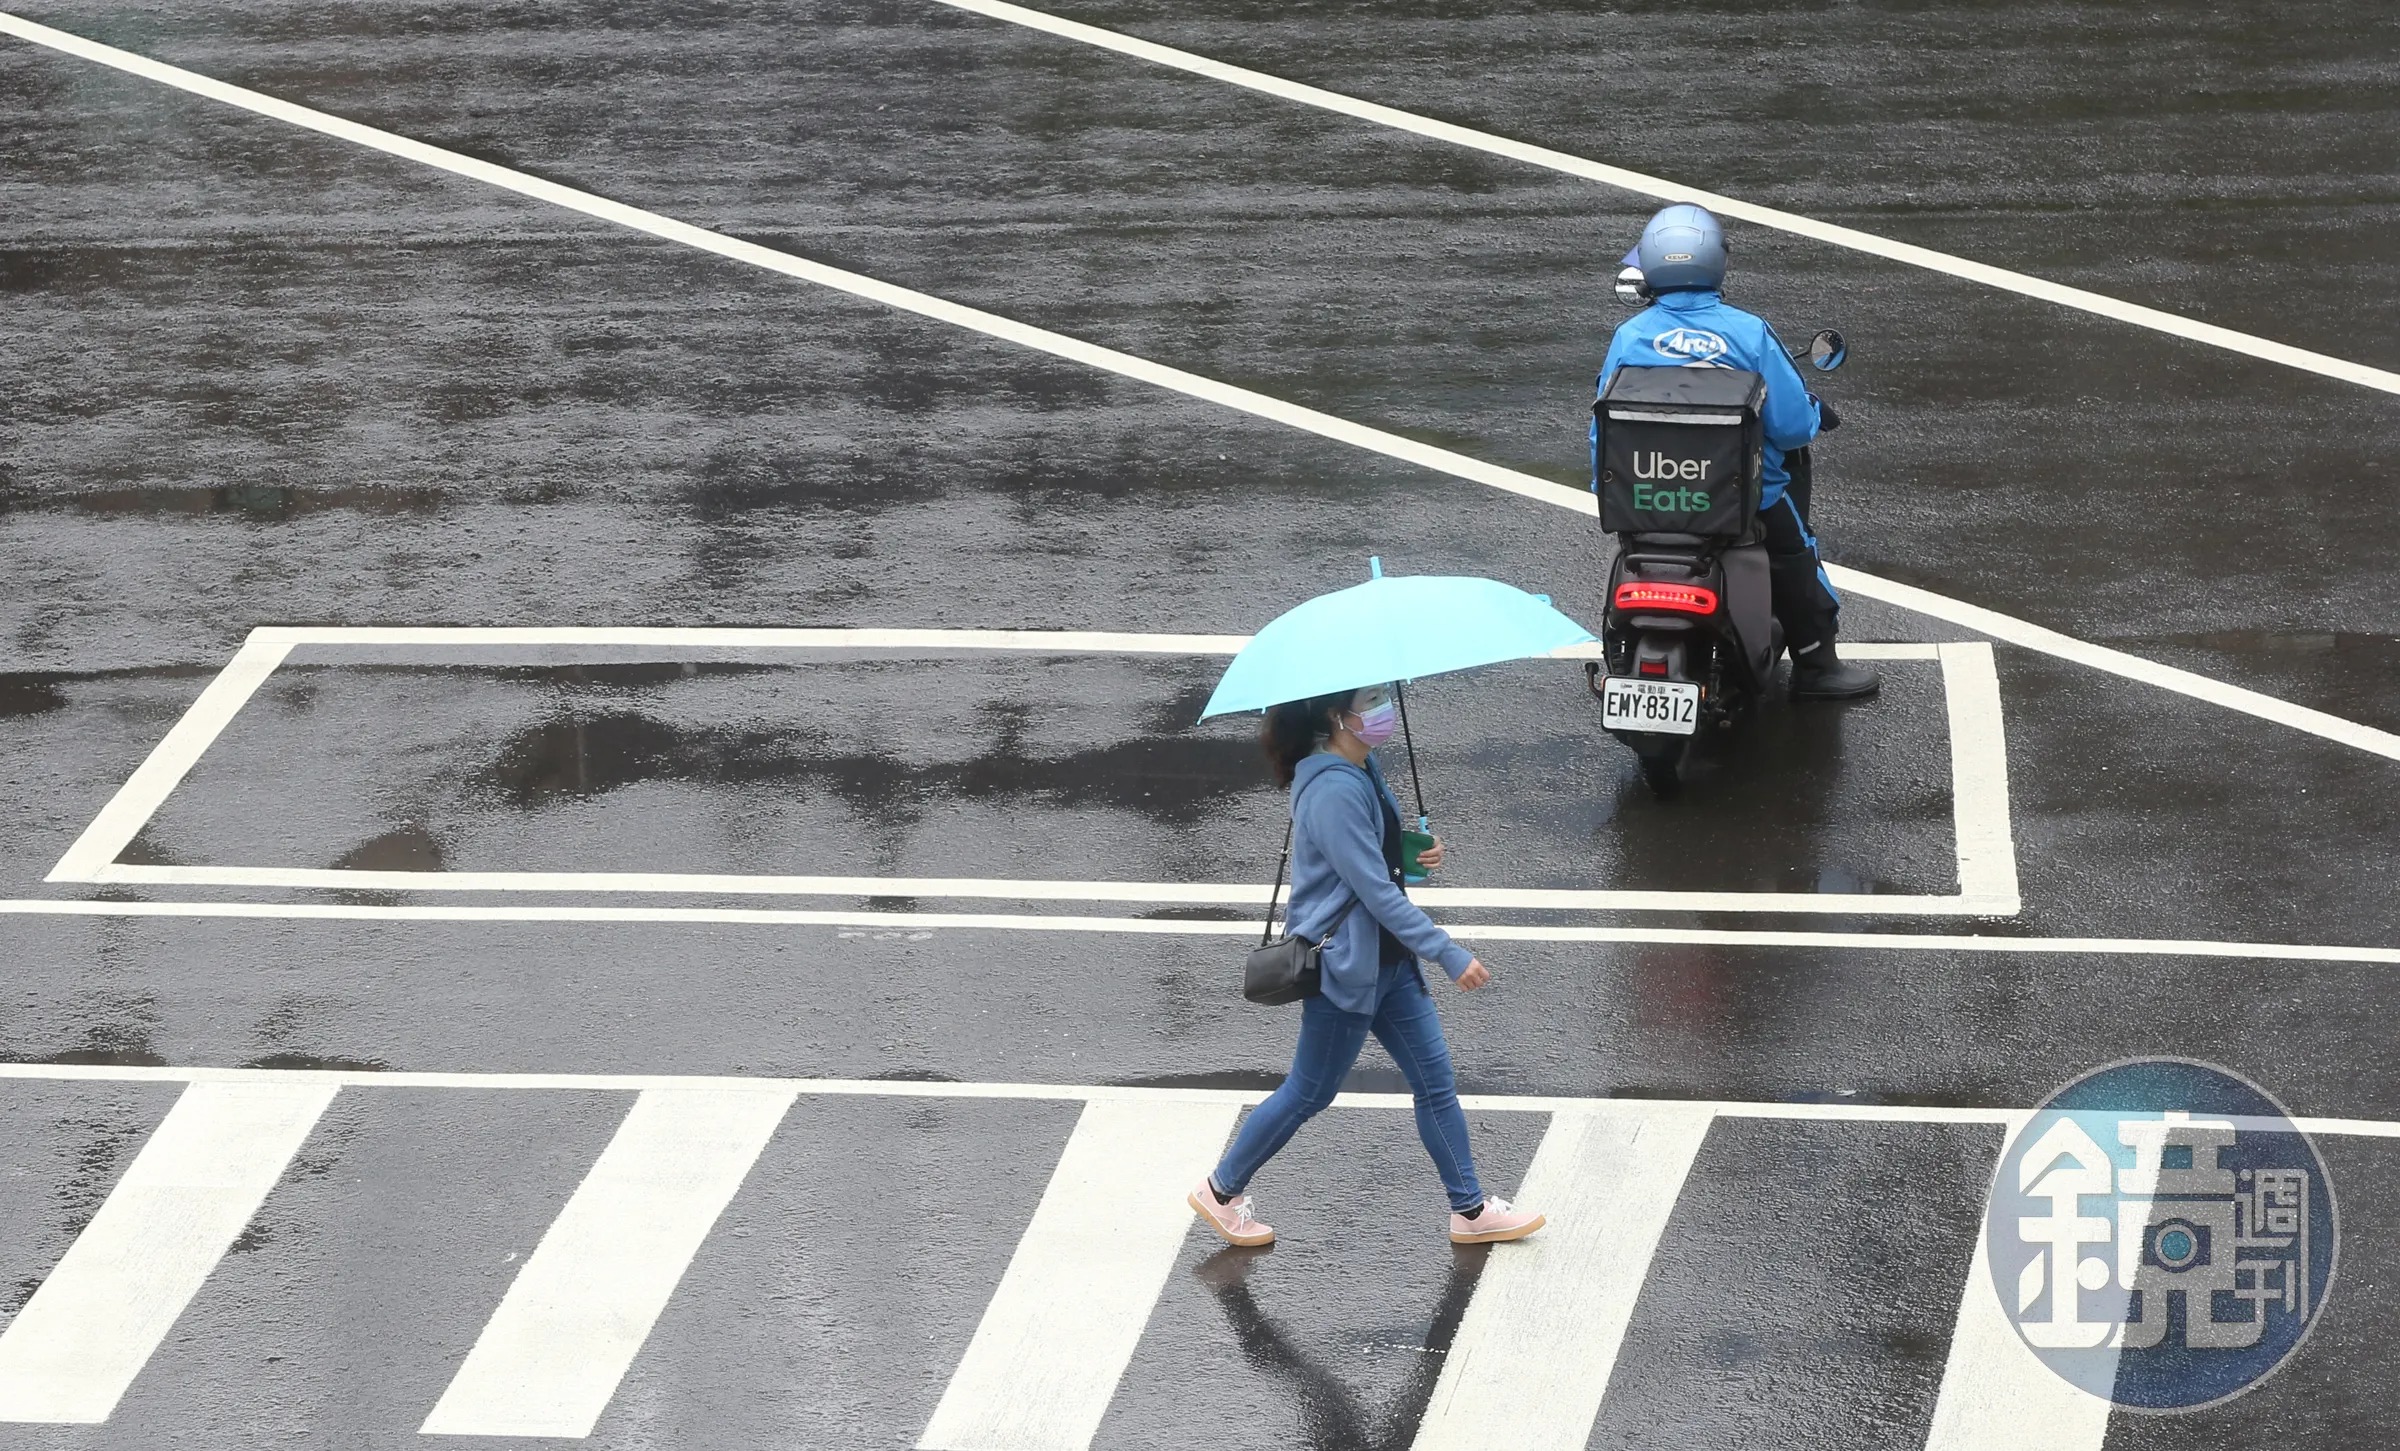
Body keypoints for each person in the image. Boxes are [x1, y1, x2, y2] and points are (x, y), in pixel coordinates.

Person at [1189, 683, 1545, 1248]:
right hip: (1344, 967)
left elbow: (1376, 860)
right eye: (1369, 704)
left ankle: (1471, 1212)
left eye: (1381, 699)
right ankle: (1221, 1191)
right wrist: (1449, 953)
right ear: (1338, 718)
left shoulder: (1362, 765)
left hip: (1388, 961)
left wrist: (1416, 852)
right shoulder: (1330, 789)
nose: (1380, 712)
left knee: (1435, 1082)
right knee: (1309, 1092)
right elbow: (1373, 891)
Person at [1594, 203, 1880, 700]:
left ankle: (1617, 659)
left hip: (1645, 499)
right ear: (1715, 261)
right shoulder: (1748, 332)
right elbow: (1791, 428)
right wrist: (1815, 413)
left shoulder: (1629, 335)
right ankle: (1817, 665)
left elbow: (1603, 418)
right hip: (1742, 499)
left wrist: (1605, 483)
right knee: (1795, 554)